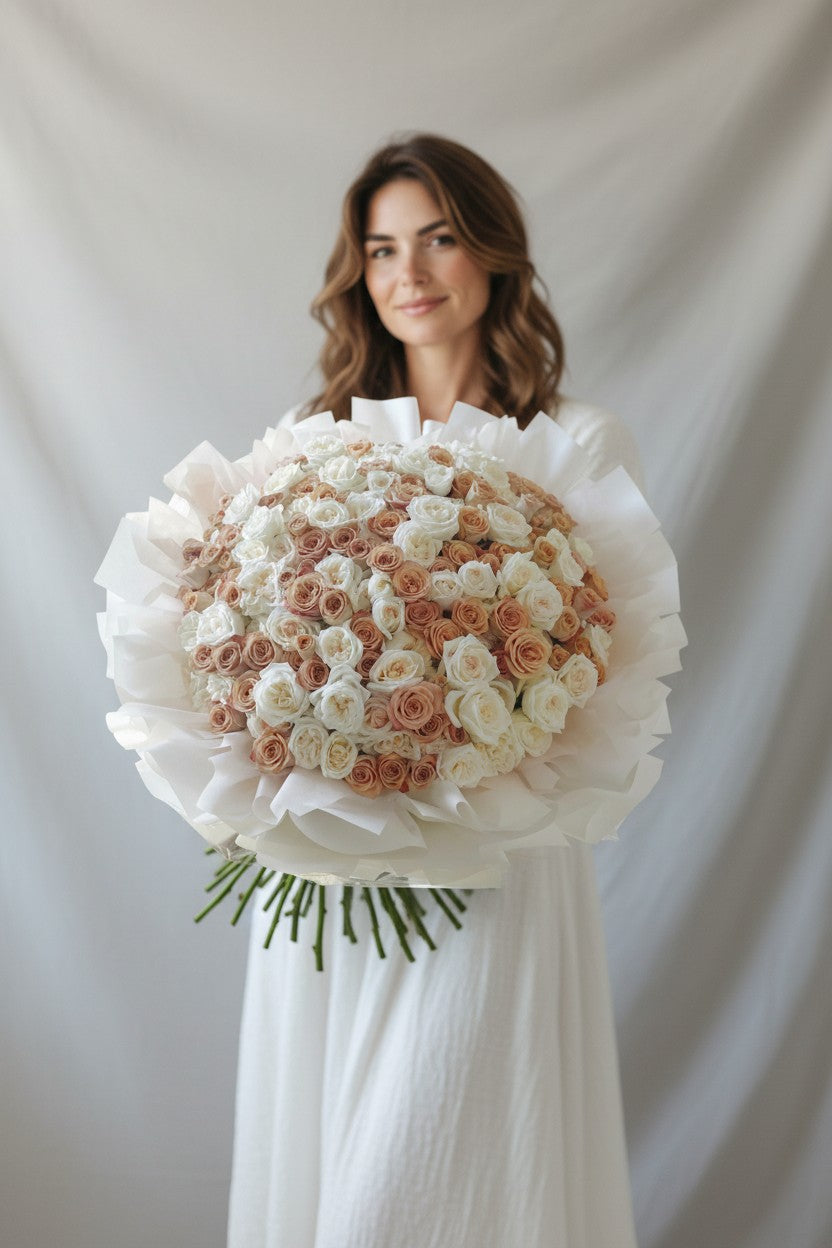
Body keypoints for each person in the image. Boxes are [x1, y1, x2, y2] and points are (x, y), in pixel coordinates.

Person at [227, 133, 643, 1248]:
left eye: (438, 239)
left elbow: (607, 678)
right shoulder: (312, 448)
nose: (407, 274)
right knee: (335, 1157)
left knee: (442, 1161)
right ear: (357, 275)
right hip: (329, 860)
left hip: (494, 857)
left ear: (491, 253)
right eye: (379, 250)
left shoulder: (576, 442)